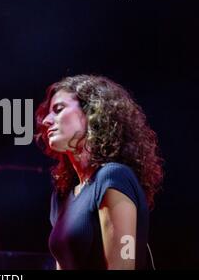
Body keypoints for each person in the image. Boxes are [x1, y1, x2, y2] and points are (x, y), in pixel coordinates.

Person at [35, 75, 163, 270]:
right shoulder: (62, 196)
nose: (45, 120)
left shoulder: (113, 177)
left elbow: (122, 266)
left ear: (91, 113)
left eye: (58, 110)